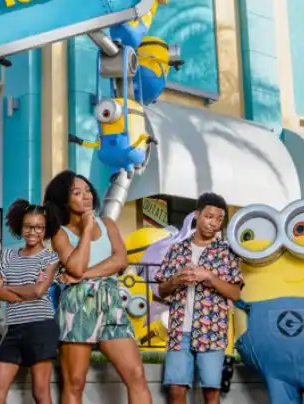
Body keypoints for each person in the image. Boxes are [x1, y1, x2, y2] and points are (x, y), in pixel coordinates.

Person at [44, 171, 152, 404]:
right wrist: (85, 229)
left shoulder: (109, 224)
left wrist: (83, 276)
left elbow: (120, 260)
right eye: (77, 192)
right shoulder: (59, 234)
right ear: (64, 201)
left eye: (87, 190)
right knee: (75, 382)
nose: (86, 196)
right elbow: (74, 265)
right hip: (78, 306)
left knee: (136, 375)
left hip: (111, 300)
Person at [155, 193, 243, 404]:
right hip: (178, 332)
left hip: (211, 331)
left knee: (211, 394)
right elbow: (161, 291)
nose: (213, 223)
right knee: (176, 391)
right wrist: (175, 280)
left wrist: (209, 277)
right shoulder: (176, 249)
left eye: (218, 219)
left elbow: (235, 293)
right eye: (209, 216)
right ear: (197, 215)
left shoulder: (226, 252)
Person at [0, 200, 61, 404]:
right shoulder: (8, 255)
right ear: (21, 225)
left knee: (40, 393)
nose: (33, 232)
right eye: (28, 226)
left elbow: (38, 291)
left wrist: (8, 287)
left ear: (45, 229)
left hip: (40, 326)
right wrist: (25, 291)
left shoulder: (51, 258)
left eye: (39, 227)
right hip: (13, 329)